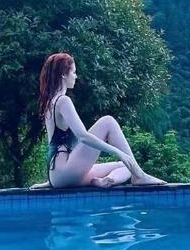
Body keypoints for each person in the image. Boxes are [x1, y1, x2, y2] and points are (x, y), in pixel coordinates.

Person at [35, 52, 165, 189]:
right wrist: (117, 151)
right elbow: (83, 136)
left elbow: (53, 145)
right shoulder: (63, 101)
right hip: (65, 172)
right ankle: (139, 176)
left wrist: (52, 180)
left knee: (125, 165)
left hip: (58, 175)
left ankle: (108, 180)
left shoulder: (51, 101)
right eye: (73, 72)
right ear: (63, 74)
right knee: (108, 122)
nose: (76, 76)